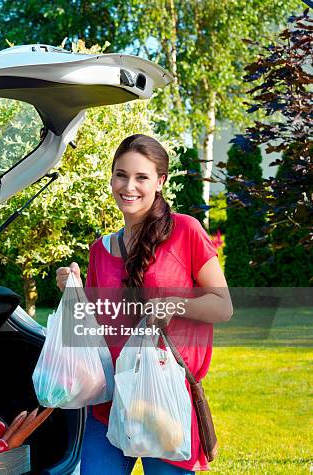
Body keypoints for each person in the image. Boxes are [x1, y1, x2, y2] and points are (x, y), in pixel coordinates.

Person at [56, 134, 232, 474]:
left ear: (160, 181)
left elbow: (223, 306)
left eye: (141, 177)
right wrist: (73, 290)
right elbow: (92, 328)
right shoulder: (100, 250)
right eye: (121, 175)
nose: (129, 186)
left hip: (165, 398)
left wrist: (176, 305)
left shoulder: (186, 231)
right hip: (109, 402)